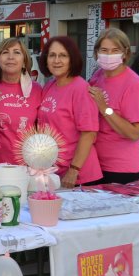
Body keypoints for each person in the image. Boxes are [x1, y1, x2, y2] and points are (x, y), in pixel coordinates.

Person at [37, 36, 102, 187]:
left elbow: (89, 133)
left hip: (80, 176)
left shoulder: (81, 89)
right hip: (54, 172)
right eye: (52, 55)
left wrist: (74, 170)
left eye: (63, 55)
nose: (56, 60)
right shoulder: (49, 86)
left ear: (72, 59)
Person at [87, 28, 139, 184]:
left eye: (115, 50)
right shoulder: (98, 75)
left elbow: (135, 133)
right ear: (96, 52)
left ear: (125, 53)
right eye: (104, 50)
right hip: (96, 161)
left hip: (121, 166)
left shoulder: (133, 84)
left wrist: (105, 108)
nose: (108, 55)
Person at [0, 38, 43, 165]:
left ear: (25, 62)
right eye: (5, 52)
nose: (10, 57)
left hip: (28, 166)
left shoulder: (36, 89)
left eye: (16, 52)